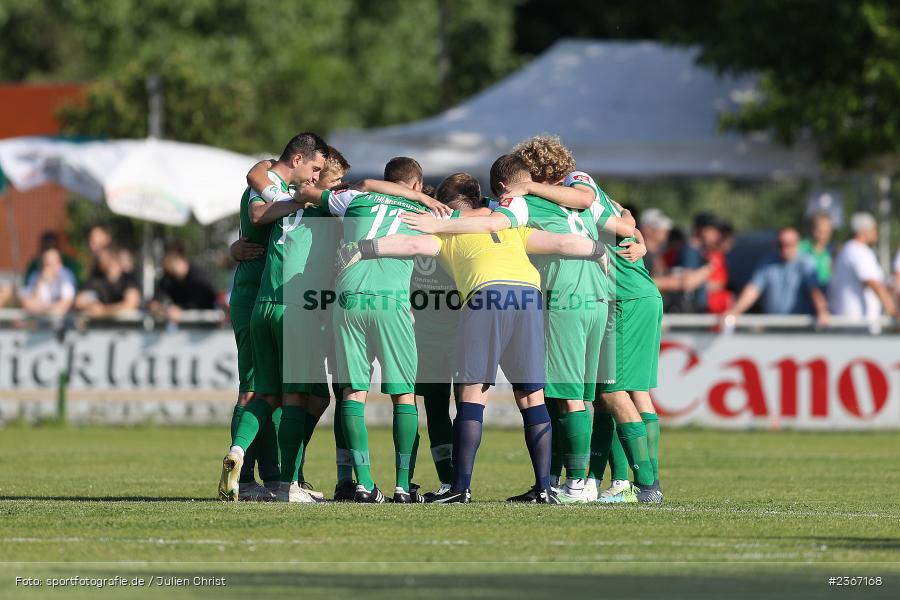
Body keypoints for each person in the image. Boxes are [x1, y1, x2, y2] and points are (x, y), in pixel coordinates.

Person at [351, 166, 613, 505]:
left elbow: (411, 242)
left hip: (486, 296)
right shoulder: (512, 227)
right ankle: (545, 488)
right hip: (529, 299)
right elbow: (564, 242)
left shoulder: (448, 232)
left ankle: (460, 487)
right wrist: (599, 251)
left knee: (473, 394)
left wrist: (365, 248)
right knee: (532, 397)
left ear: (448, 206)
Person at [511, 134, 663, 504]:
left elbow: (591, 201)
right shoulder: (573, 199)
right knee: (617, 391)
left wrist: (527, 187)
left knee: (610, 391)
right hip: (624, 295)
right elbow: (624, 218)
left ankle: (635, 485)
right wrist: (635, 232)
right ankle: (614, 483)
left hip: (621, 296)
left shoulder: (576, 184)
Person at [220, 133, 330, 504]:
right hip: (258, 295)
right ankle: (254, 478)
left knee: (283, 392)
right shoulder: (273, 183)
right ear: (298, 159)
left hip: (267, 294)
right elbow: (255, 213)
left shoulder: (269, 180)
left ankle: (275, 474)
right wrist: (302, 199)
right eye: (314, 169)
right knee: (259, 389)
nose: (316, 179)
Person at [726, 227, 830, 326]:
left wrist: (822, 310)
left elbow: (814, 290)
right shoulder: (767, 263)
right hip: (773, 326)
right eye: (780, 245)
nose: (784, 249)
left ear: (797, 244)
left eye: (788, 245)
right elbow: (753, 289)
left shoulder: (806, 263)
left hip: (800, 326)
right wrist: (736, 310)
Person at [828, 212, 897, 324]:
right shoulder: (859, 251)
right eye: (874, 229)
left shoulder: (848, 250)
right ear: (864, 231)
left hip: (850, 319)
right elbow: (873, 284)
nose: (876, 232)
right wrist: (893, 311)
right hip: (860, 322)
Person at [149, 244, 219, 324]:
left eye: (171, 260)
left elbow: (203, 300)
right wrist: (160, 307)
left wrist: (181, 309)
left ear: (181, 259)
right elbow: (157, 298)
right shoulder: (168, 277)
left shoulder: (198, 276)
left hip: (204, 326)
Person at [74, 247, 141, 318]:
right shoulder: (96, 279)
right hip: (100, 326)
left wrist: (104, 310)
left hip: (127, 326)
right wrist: (91, 306)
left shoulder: (128, 278)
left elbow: (131, 305)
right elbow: (79, 302)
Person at [19, 247, 77, 317]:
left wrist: (43, 308)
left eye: (53, 263)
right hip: (42, 321)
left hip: (64, 322)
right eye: (47, 264)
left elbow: (65, 304)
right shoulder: (36, 276)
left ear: (60, 264)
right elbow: (28, 304)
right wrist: (40, 282)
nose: (50, 267)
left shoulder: (66, 276)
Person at [798, 212, 834, 288]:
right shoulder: (801, 248)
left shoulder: (831, 252)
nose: (822, 236)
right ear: (811, 229)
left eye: (827, 232)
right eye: (819, 231)